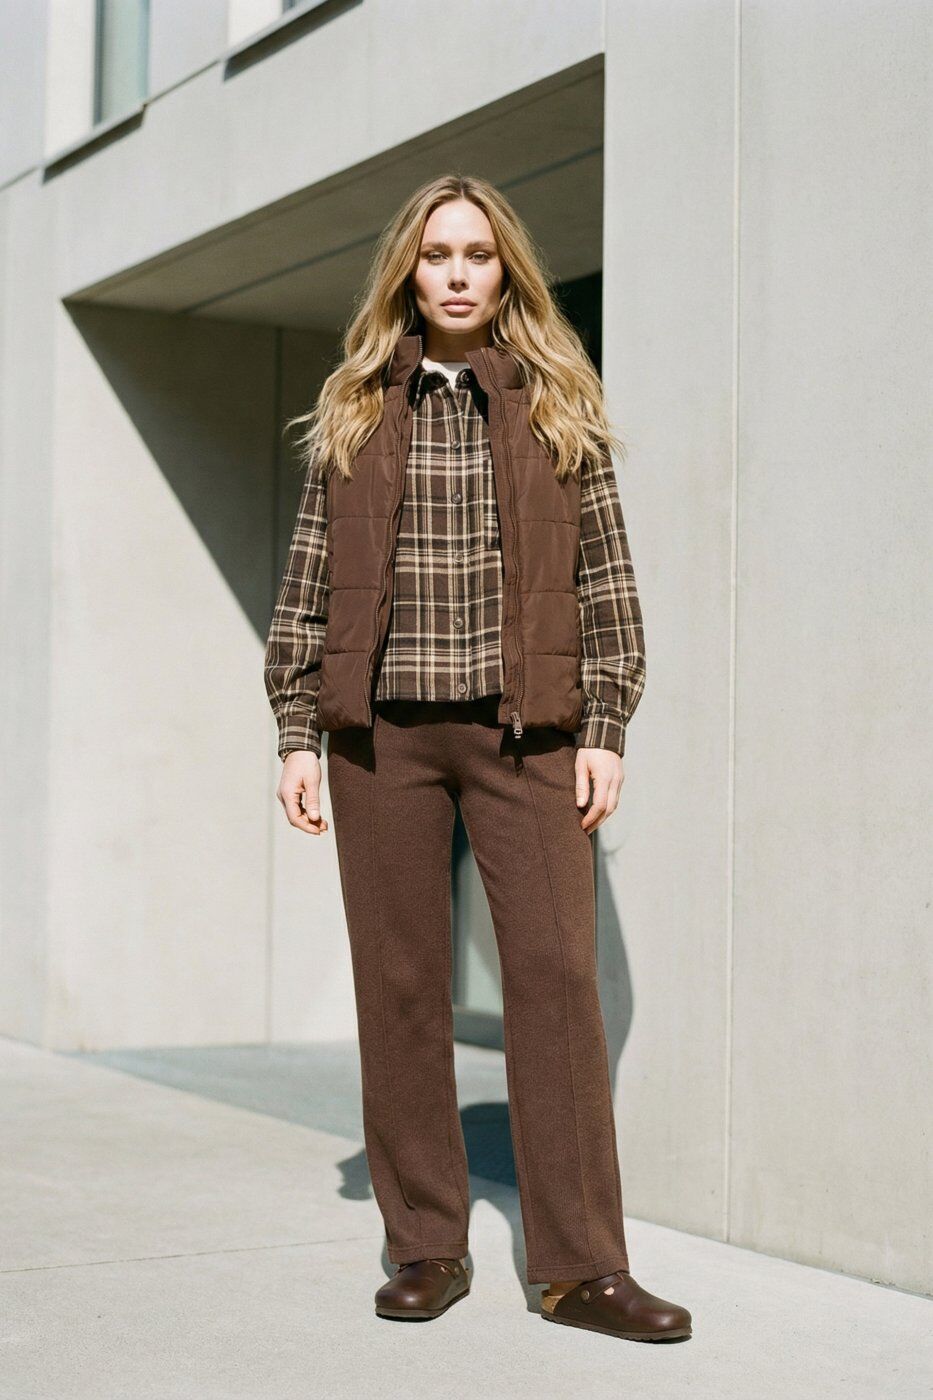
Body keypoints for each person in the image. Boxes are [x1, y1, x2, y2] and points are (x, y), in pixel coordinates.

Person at [263, 173, 692, 1343]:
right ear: (409, 271)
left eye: (479, 254)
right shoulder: (355, 406)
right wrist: (297, 730)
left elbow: (608, 578)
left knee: (555, 981)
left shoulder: (557, 401)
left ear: (508, 274)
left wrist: (605, 724)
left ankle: (581, 1267)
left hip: (529, 732)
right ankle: (426, 1243)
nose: (458, 273)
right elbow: (306, 581)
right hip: (381, 738)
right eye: (438, 254)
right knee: (401, 985)